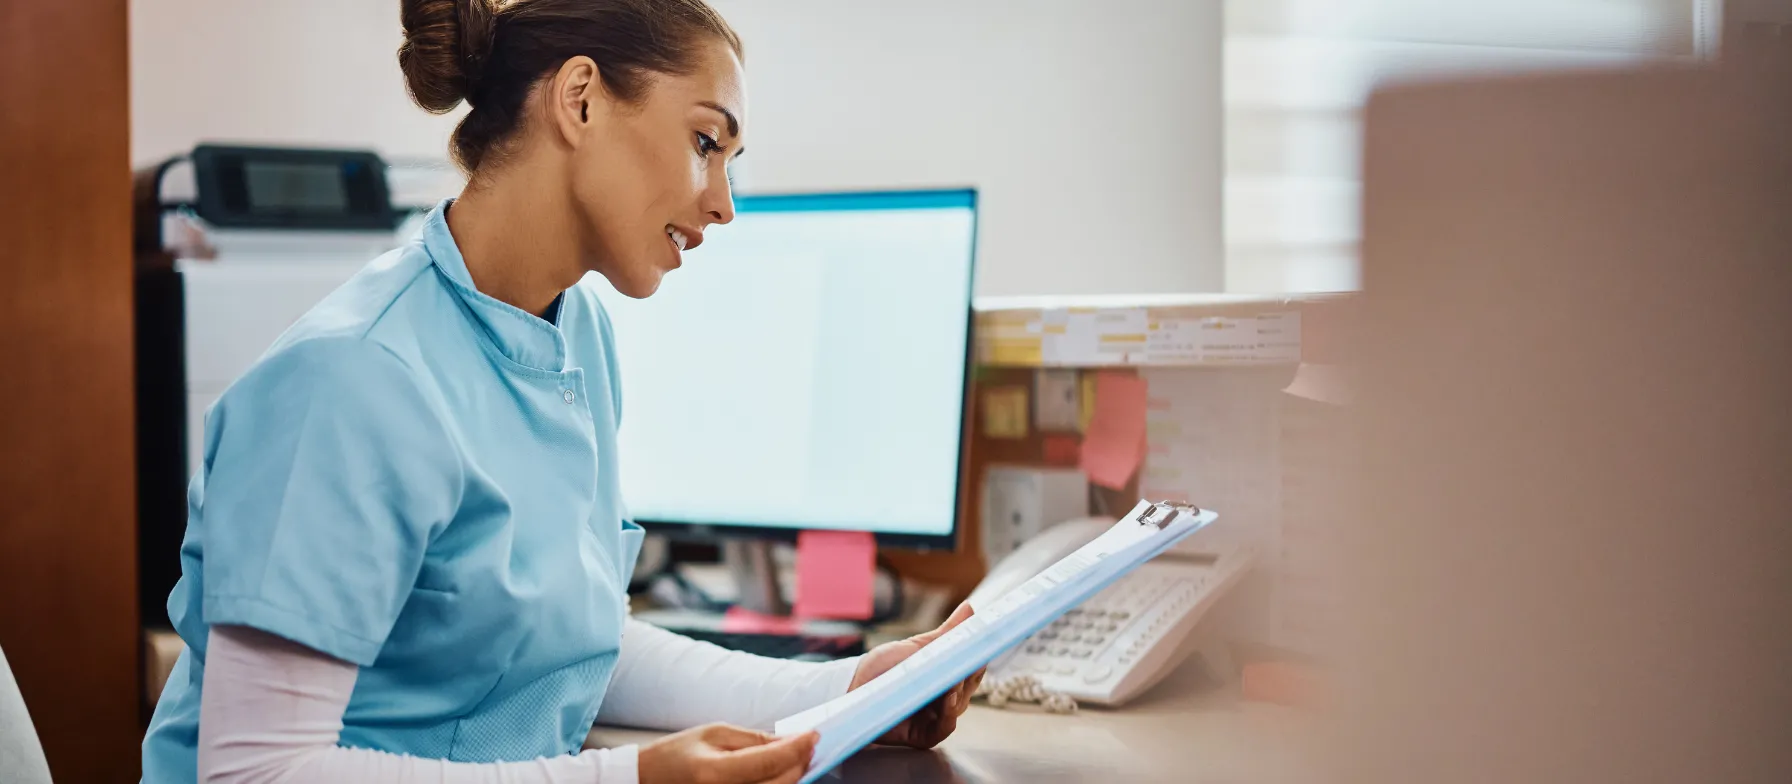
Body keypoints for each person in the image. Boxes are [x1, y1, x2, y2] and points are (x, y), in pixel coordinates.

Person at [139, 1, 984, 781]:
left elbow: (577, 643)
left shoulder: (573, 336)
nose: (724, 203)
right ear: (579, 99)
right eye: (704, 143)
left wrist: (846, 690)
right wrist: (632, 776)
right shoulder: (351, 379)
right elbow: (257, 771)